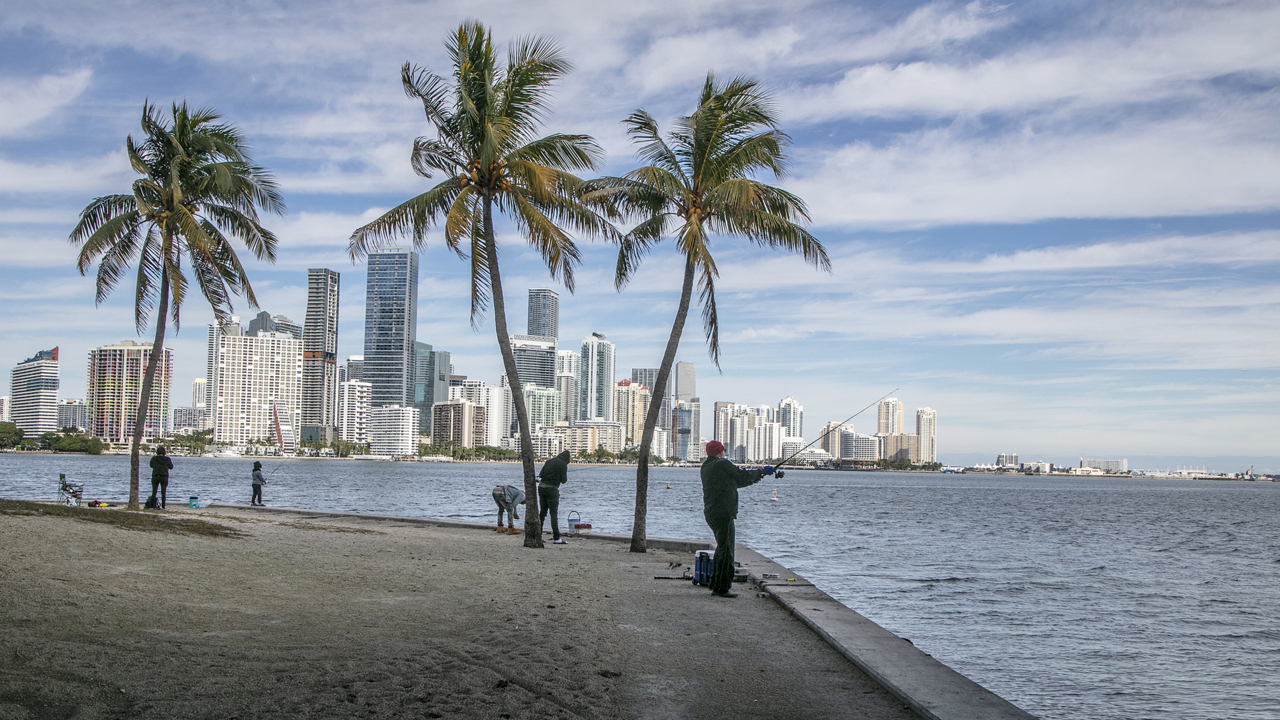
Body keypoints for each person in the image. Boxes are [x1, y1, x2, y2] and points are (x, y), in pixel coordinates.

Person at [700, 440, 774, 598]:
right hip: (723, 512)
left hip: (712, 512)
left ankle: (715, 583)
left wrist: (758, 476)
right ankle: (722, 588)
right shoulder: (722, 464)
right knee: (726, 550)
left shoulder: (707, 466)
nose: (724, 453)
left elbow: (735, 482)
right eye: (723, 450)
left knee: (722, 548)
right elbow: (741, 475)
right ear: (720, 452)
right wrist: (760, 471)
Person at [538, 450, 572, 544]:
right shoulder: (563, 464)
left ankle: (538, 535)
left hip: (541, 488)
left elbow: (541, 475)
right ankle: (556, 538)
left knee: (542, 513)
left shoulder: (549, 461)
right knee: (553, 514)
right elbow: (563, 480)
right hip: (552, 489)